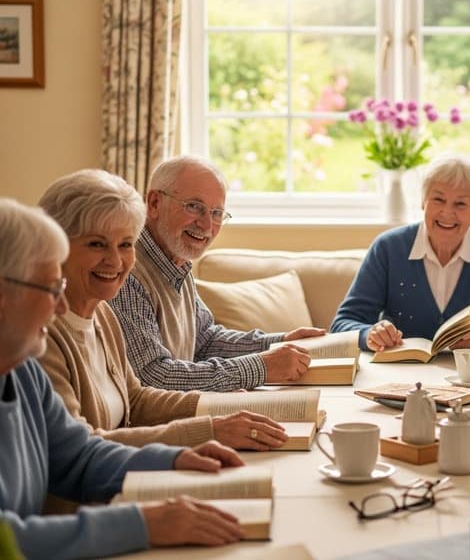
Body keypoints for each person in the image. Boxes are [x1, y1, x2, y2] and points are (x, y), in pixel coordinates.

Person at [0, 198, 248, 558]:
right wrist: (143, 524)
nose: (62, 307)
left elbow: (78, 456)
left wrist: (174, 459)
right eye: (53, 289)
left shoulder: (23, 372)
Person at [38, 170, 288, 450]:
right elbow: (78, 448)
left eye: (125, 245)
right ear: (55, 244)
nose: (115, 260)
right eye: (97, 244)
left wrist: (226, 404)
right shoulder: (41, 336)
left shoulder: (102, 315)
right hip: (101, 490)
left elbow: (137, 400)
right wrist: (209, 430)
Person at [109, 155, 325, 392]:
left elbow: (206, 341)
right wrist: (260, 367)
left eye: (216, 213)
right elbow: (153, 376)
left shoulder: (177, 261)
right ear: (154, 204)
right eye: (194, 206)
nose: (207, 225)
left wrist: (280, 343)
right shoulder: (127, 272)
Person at [330, 153, 470, 352]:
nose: (447, 213)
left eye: (460, 203)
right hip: (400, 377)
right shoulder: (388, 248)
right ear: (423, 201)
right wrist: (370, 334)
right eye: (438, 199)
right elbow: (342, 324)